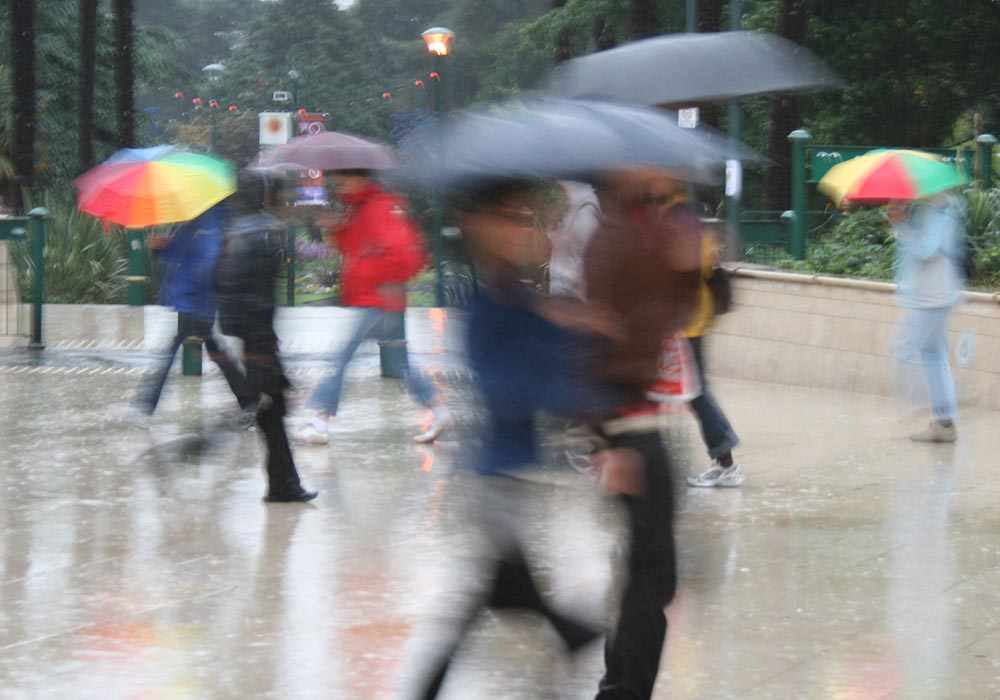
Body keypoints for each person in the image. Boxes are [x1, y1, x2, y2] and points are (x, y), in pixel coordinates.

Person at [396, 181, 619, 699]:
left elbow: (544, 345)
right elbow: (510, 382)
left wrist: (578, 325)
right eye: (512, 218)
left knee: (496, 590)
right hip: (497, 473)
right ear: (478, 226)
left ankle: (570, 634)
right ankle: (572, 635)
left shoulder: (511, 293)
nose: (525, 228)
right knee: (491, 592)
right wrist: (574, 364)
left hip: (507, 470)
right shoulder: (490, 300)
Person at [584, 168, 702, 700]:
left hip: (640, 422)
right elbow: (604, 336)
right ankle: (622, 691)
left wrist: (694, 271)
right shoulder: (617, 238)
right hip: (629, 425)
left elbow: (684, 311)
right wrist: (608, 438)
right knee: (651, 577)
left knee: (646, 572)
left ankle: (618, 686)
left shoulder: (639, 228)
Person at [293, 170, 450, 445]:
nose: (340, 184)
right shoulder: (360, 208)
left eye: (345, 179)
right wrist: (335, 228)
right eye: (338, 180)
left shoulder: (379, 207)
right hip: (375, 299)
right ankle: (438, 410)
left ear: (362, 178)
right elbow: (353, 248)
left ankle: (320, 421)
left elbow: (404, 253)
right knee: (400, 359)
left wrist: (384, 279)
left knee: (341, 357)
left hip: (376, 299)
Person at [216, 172, 317, 503]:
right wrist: (263, 345)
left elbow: (227, 288)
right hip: (258, 338)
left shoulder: (236, 231)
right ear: (265, 197)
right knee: (270, 411)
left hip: (251, 336)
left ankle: (283, 484)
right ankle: (283, 485)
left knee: (271, 411)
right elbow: (257, 295)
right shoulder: (263, 234)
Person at [136, 203, 250, 417]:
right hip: (190, 300)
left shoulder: (208, 222)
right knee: (214, 351)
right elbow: (177, 254)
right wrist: (159, 248)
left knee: (172, 352)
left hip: (197, 301)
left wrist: (198, 299)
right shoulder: (191, 222)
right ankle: (247, 399)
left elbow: (207, 260)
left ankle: (147, 404)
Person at [891, 193, 966, 443]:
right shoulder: (933, 209)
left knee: (904, 351)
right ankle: (944, 421)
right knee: (932, 356)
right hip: (932, 295)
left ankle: (930, 410)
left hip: (932, 297)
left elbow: (926, 251)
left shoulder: (939, 212)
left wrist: (901, 223)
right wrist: (901, 221)